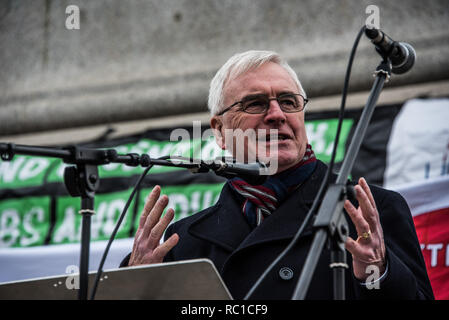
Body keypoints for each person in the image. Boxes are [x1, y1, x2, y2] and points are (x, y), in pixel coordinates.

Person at [121, 50, 434, 300]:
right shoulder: (184, 241)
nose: (277, 115)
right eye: (255, 104)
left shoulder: (371, 212)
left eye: (288, 102)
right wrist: (134, 286)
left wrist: (379, 273)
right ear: (219, 130)